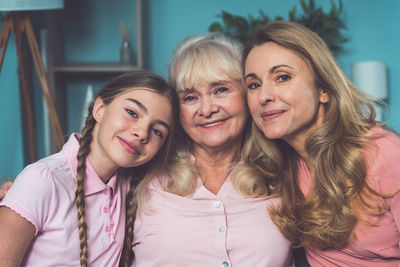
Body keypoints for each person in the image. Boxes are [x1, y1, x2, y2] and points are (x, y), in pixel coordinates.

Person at [124, 32, 293, 267]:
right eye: (190, 97)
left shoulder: (285, 177)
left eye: (220, 90)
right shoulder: (140, 181)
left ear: (248, 93)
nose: (206, 109)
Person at [243, 20, 400, 266]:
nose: (264, 96)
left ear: (323, 89)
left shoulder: (384, 153)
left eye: (282, 77)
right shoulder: (280, 168)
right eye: (254, 85)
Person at [0, 70, 178, 267]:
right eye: (132, 112)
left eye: (157, 131)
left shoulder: (134, 187)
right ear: (100, 109)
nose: (142, 133)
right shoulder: (42, 180)